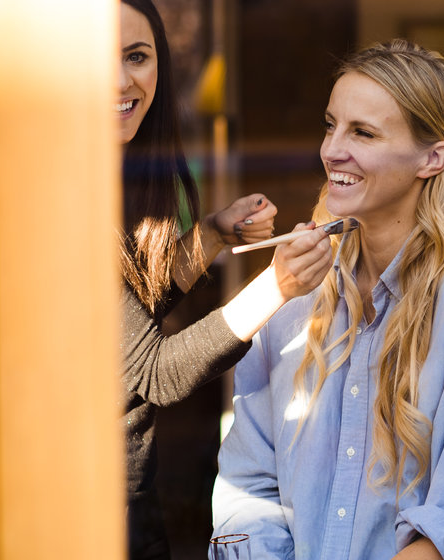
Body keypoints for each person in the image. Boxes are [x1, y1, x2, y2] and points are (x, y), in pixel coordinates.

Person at [211, 39, 444, 559]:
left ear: (433, 157)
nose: (332, 149)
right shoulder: (293, 296)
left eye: (363, 132)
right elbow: (249, 488)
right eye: (330, 125)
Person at [116, 0, 334, 558]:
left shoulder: (108, 170)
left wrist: (213, 234)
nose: (120, 80)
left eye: (136, 56)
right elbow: (153, 372)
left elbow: (123, 321)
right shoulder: (61, 191)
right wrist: (276, 286)